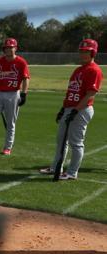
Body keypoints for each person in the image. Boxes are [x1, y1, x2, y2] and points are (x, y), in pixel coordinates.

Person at [40, 39, 102, 180]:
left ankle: (72, 172)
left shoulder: (94, 70)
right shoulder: (78, 69)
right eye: (81, 51)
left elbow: (90, 93)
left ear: (93, 53)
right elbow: (71, 91)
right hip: (70, 108)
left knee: (76, 143)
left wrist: (75, 110)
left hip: (82, 110)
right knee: (61, 140)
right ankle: (56, 167)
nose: (82, 54)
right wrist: (63, 108)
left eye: (86, 51)